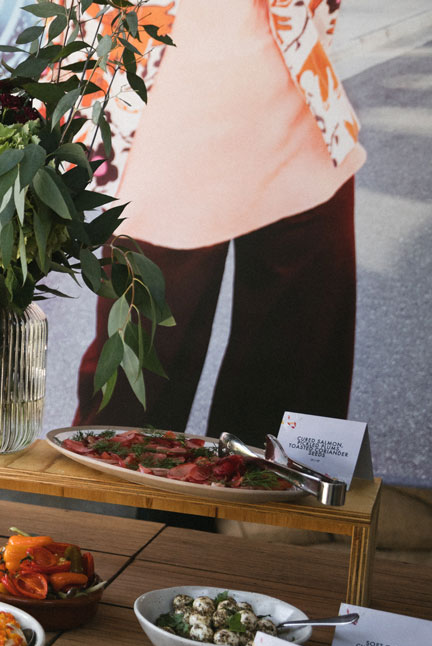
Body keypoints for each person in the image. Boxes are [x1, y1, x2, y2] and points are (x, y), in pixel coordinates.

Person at [72, 0, 364, 447]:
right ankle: (120, 515)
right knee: (130, 408)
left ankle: (266, 514)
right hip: (167, 112)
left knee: (296, 406)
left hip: (297, 100)